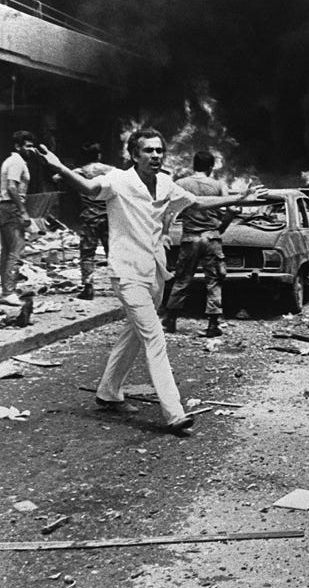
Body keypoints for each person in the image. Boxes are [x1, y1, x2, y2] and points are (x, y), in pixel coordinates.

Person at [36, 129, 254, 436]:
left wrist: (237, 198)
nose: (155, 155)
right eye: (148, 150)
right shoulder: (118, 180)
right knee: (154, 336)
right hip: (126, 273)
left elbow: (195, 203)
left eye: (159, 150)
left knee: (134, 333)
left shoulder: (166, 183)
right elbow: (88, 187)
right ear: (134, 155)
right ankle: (174, 413)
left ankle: (108, 392)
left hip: (155, 272)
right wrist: (59, 167)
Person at [163, 150, 234, 337]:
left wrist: (165, 233)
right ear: (211, 167)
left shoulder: (180, 184)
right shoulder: (219, 185)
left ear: (193, 165)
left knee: (182, 279)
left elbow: (170, 211)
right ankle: (213, 324)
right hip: (211, 237)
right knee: (214, 281)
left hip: (190, 237)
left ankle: (170, 320)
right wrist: (220, 228)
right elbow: (231, 210)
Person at [66, 142, 114, 300]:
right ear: (99, 155)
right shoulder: (110, 170)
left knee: (87, 254)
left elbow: (57, 177)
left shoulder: (79, 172)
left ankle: (88, 287)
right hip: (108, 216)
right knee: (113, 252)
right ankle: (120, 285)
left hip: (89, 217)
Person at [0, 131, 37, 307]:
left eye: (32, 146)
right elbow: (12, 187)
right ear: (18, 146)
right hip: (11, 207)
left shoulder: (12, 161)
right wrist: (23, 211)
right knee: (16, 250)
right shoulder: (17, 162)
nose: (31, 149)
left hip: (5, 206)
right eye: (28, 146)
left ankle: (6, 289)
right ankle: (8, 292)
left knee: (7, 251)